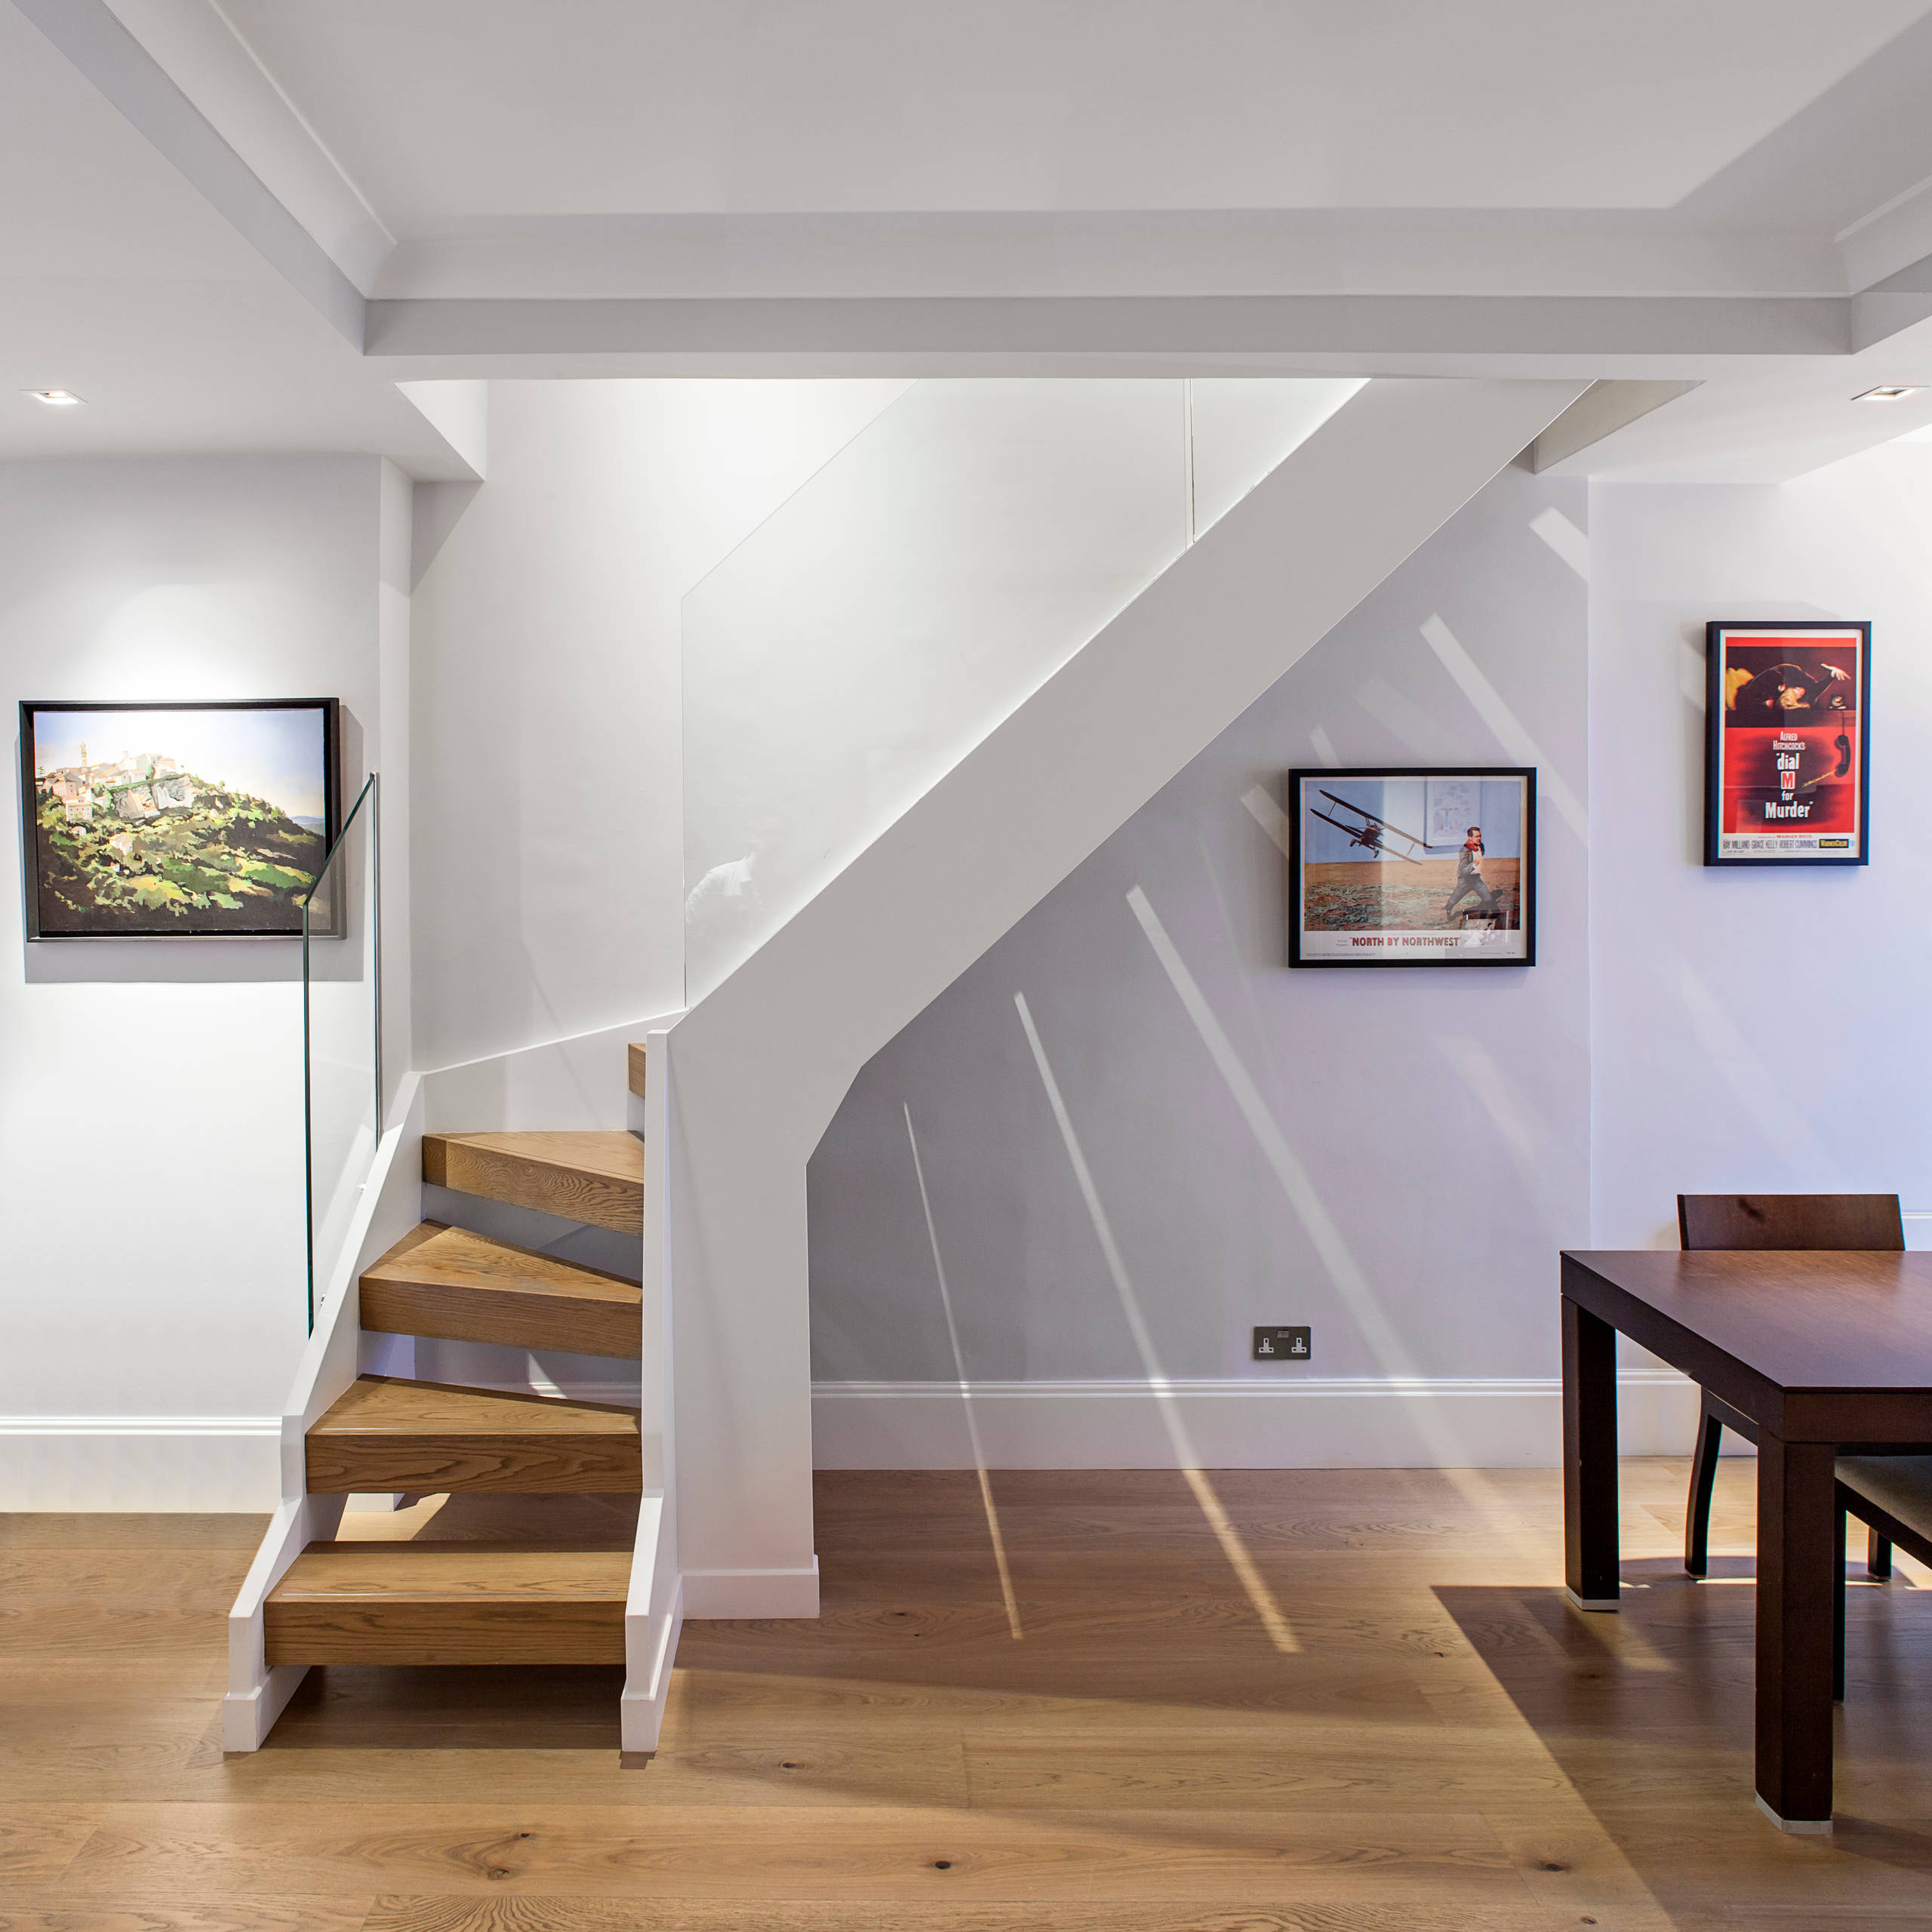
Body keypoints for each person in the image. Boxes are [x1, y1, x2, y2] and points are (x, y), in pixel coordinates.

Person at [1444, 825, 1499, 922]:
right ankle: (1448, 908)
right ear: (1470, 837)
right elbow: (1463, 870)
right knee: (1455, 899)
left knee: (1488, 899)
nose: (1479, 838)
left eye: (1480, 836)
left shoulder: (1481, 846)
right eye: (1476, 837)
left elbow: (1482, 853)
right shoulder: (1464, 850)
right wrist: (1474, 864)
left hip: (1477, 880)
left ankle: (1487, 917)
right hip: (1465, 881)